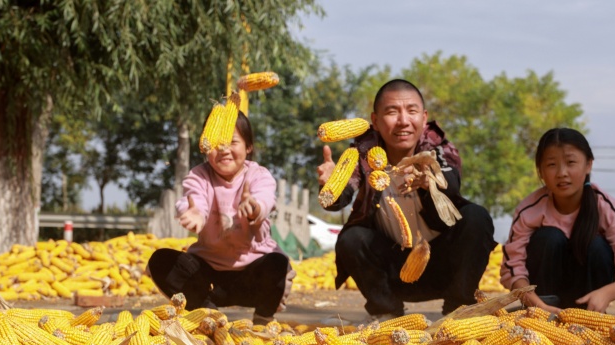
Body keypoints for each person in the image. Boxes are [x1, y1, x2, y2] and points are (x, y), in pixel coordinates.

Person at [317, 79, 496, 319]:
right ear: (376, 121)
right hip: (392, 270)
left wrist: (430, 180)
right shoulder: (364, 153)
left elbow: (451, 182)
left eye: (411, 111)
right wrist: (330, 185)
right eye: (392, 112)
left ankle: (458, 310)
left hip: (441, 265)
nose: (403, 121)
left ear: (424, 118)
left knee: (477, 216)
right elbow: (341, 197)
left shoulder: (438, 147)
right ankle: (387, 312)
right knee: (351, 238)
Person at [147, 111, 292, 325]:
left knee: (277, 262)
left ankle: (263, 315)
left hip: (251, 274)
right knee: (161, 261)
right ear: (205, 147)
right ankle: (207, 314)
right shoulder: (199, 175)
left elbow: (265, 198)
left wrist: (254, 207)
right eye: (215, 143)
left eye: (232, 142)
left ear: (248, 146)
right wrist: (194, 212)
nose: (223, 150)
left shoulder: (258, 175)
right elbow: (193, 198)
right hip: (209, 275)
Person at [500, 127, 615, 313]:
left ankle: (591, 317)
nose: (562, 173)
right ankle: (545, 315)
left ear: (588, 165)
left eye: (571, 162)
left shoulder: (603, 206)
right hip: (542, 305)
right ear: (540, 171)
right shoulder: (529, 210)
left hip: (588, 303)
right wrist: (536, 304)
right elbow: (513, 268)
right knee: (549, 237)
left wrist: (605, 294)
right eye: (551, 165)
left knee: (597, 245)